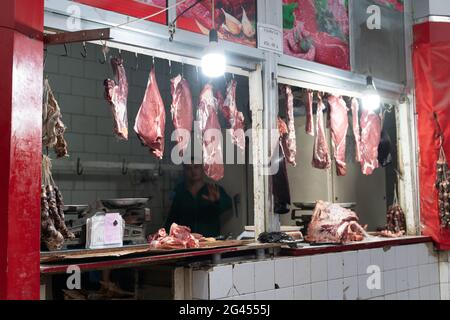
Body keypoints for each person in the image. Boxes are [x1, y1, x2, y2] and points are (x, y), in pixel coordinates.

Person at [165, 162, 232, 238]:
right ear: (184, 171)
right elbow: (171, 219)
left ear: (202, 168)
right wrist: (166, 237)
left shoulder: (213, 189)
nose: (193, 171)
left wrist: (218, 201)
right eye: (188, 168)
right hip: (186, 242)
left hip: (210, 240)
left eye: (196, 167)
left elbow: (229, 209)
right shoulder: (179, 192)